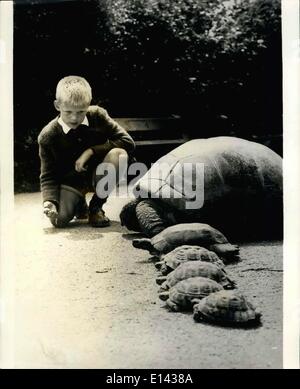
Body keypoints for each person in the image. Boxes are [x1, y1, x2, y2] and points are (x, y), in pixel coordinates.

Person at [38, 75, 135, 228]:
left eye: (81, 111)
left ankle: (96, 207)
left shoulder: (98, 115)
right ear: (57, 105)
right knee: (59, 220)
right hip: (71, 181)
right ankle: (78, 203)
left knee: (119, 155)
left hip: (98, 173)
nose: (74, 118)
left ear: (88, 104)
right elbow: (48, 175)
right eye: (68, 111)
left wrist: (90, 151)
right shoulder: (48, 136)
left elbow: (128, 142)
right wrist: (49, 201)